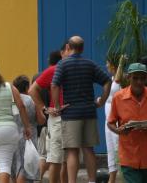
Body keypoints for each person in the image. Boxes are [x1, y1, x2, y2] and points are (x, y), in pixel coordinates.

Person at [50, 36, 111, 183]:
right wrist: (102, 100)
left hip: (71, 114)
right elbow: (107, 81)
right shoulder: (89, 64)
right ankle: (91, 180)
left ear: (68, 47)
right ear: (82, 48)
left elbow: (54, 85)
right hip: (89, 112)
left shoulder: (63, 65)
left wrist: (57, 106)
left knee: (72, 151)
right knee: (89, 148)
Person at [107, 63, 147, 183]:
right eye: (135, 78)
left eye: (142, 78)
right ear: (128, 78)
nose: (139, 82)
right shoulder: (118, 97)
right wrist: (119, 131)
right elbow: (110, 122)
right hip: (129, 155)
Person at [30, 47, 66, 183]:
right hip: (51, 120)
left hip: (45, 122)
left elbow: (32, 92)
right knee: (55, 158)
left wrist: (44, 110)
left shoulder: (40, 76)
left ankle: (38, 179)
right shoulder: (52, 74)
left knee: (47, 156)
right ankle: (38, 179)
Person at [11, 75, 38, 183]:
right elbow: (40, 119)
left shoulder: (11, 101)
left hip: (12, 136)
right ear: (27, 87)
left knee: (13, 167)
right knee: (24, 167)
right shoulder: (30, 100)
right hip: (28, 137)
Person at [103, 56, 125, 183]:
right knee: (110, 148)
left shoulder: (122, 79)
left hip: (117, 117)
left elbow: (117, 81)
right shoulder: (110, 79)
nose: (106, 65)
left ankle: (122, 177)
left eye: (108, 63)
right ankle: (111, 179)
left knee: (118, 146)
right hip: (108, 118)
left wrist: (121, 61)